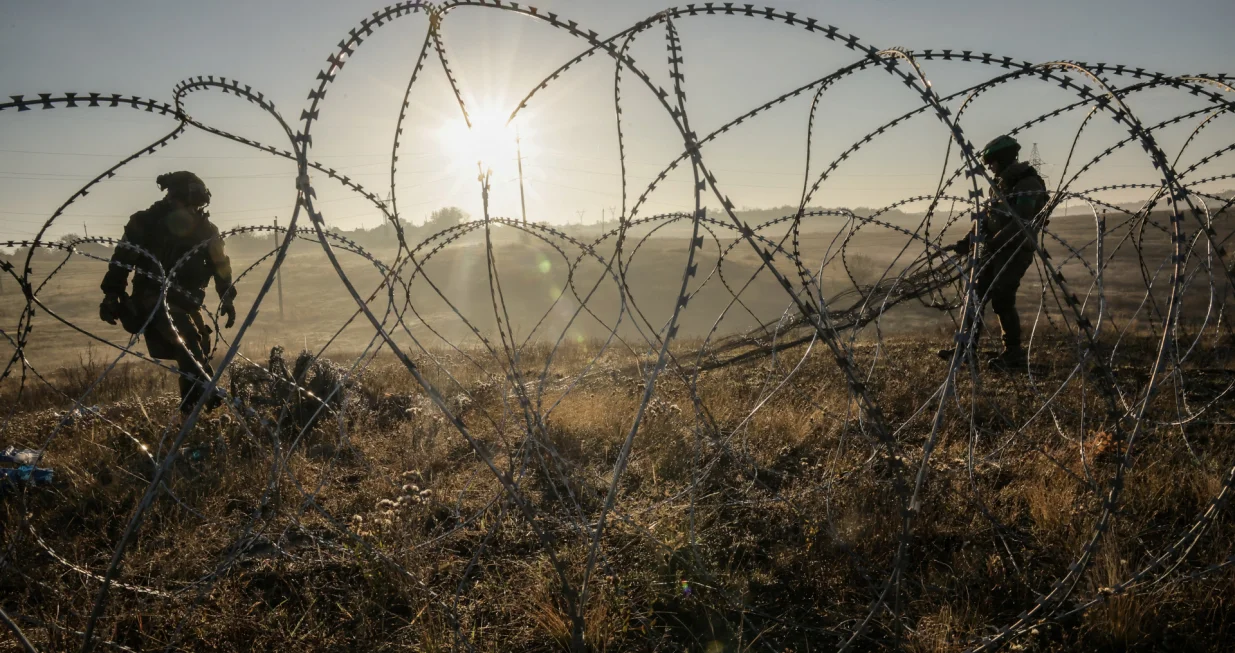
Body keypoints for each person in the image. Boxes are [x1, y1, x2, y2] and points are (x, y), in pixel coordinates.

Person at [99, 171, 237, 414]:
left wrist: (227, 296)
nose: (192, 209)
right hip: (153, 296)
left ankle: (193, 413)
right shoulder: (146, 222)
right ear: (173, 197)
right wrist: (111, 294)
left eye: (197, 205)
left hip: (188, 300)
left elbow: (220, 264)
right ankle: (202, 398)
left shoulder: (206, 230)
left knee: (199, 349)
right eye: (188, 203)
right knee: (187, 341)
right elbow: (122, 259)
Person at [938, 135, 1049, 370]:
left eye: (992, 162)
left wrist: (995, 242)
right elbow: (986, 218)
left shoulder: (1028, 184)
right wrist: (968, 240)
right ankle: (966, 349)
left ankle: (1013, 354)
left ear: (1003, 159)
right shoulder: (998, 185)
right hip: (993, 250)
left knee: (1002, 298)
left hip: (1015, 252)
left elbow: (1022, 221)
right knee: (975, 295)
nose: (989, 167)